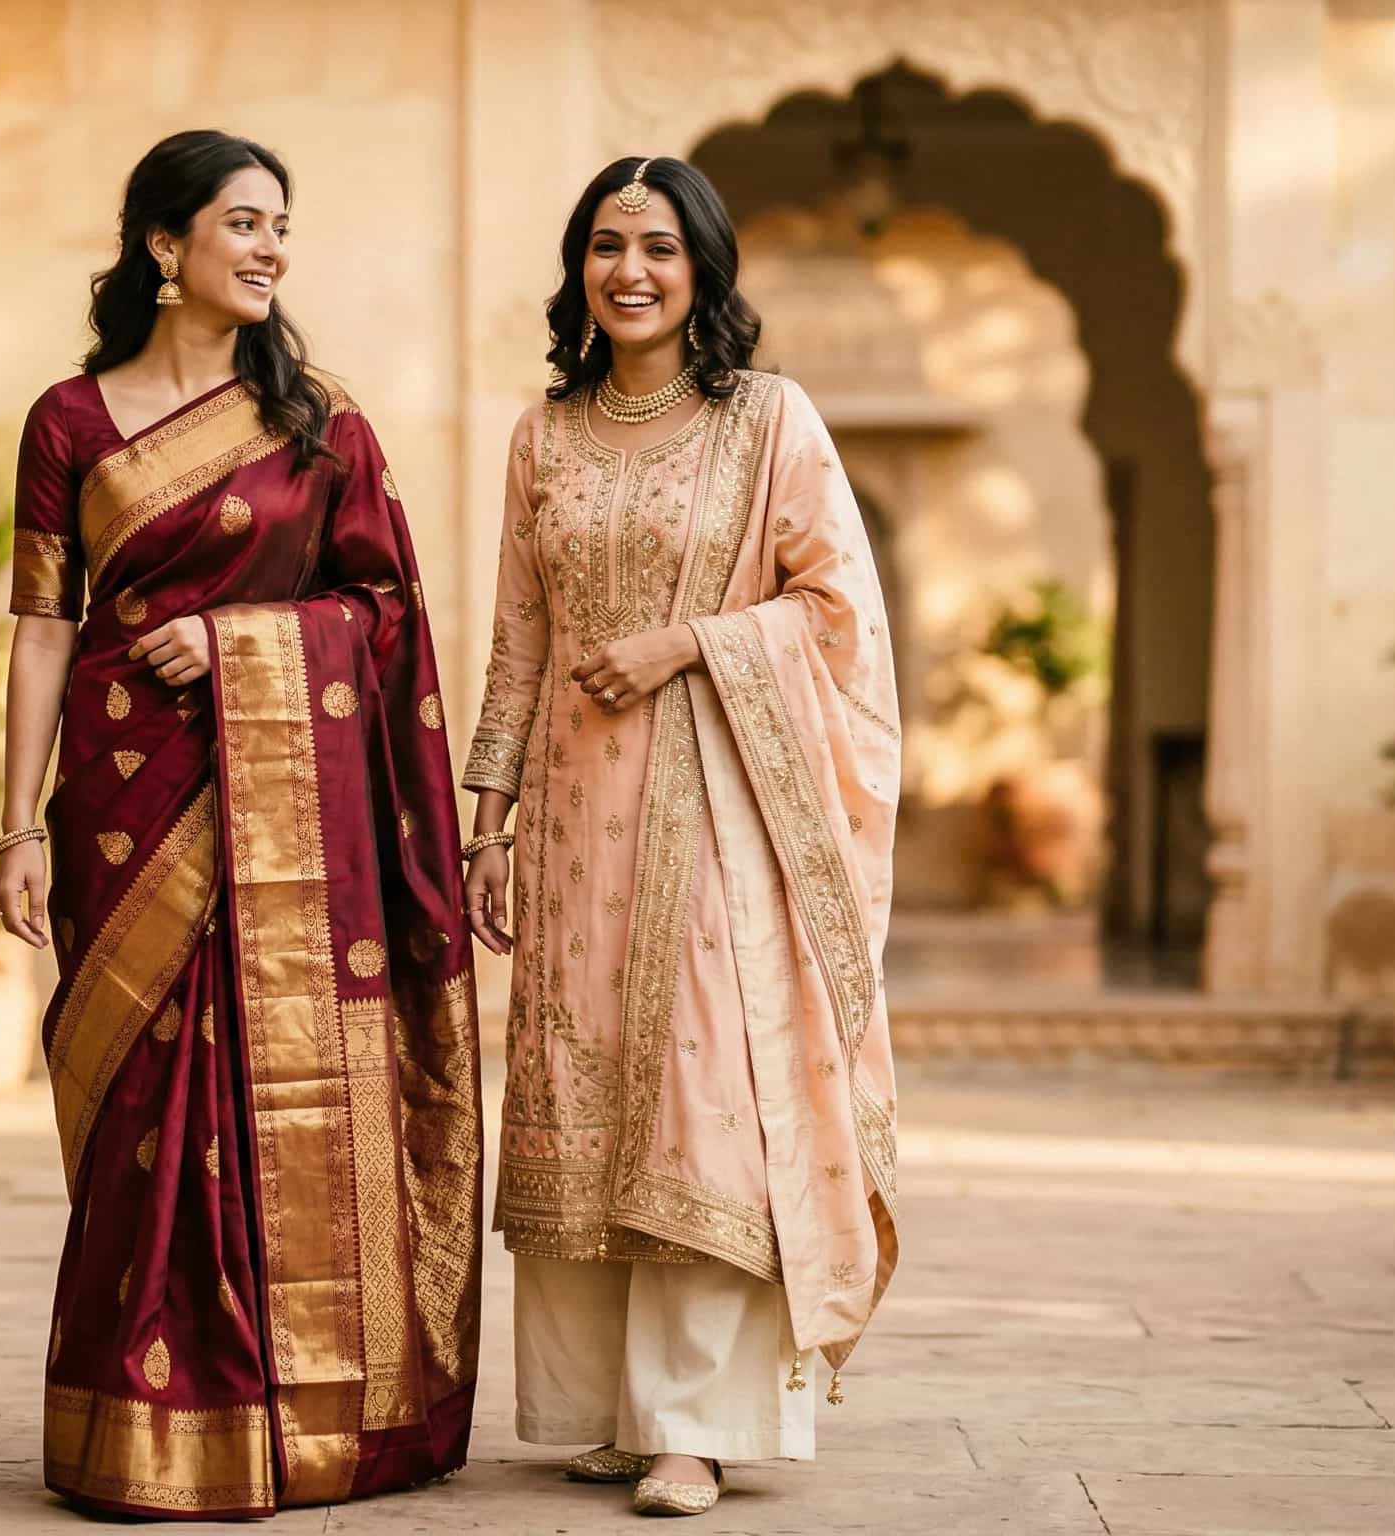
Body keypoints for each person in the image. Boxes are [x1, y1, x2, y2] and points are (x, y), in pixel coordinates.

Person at [0, 129, 481, 1520]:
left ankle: (297, 1416)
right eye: (243, 224)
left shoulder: (324, 428)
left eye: (281, 228)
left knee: (272, 1101)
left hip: (278, 809)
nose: (269, 249)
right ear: (164, 245)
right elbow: (39, 628)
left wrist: (247, 640)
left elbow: (388, 617)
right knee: (140, 1102)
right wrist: (15, 825)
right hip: (116, 798)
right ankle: (139, 1417)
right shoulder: (71, 421)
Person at [460, 155, 904, 1518]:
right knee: (586, 1094)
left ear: (703, 267)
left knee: (701, 1100)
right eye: (605, 245)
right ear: (578, 267)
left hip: (722, 810)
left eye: (659, 246)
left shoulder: (768, 420)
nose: (630, 271)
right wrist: (490, 818)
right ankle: (609, 1408)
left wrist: (690, 644)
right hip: (580, 817)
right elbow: (520, 633)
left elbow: (839, 616)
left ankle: (695, 1429)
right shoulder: (544, 433)